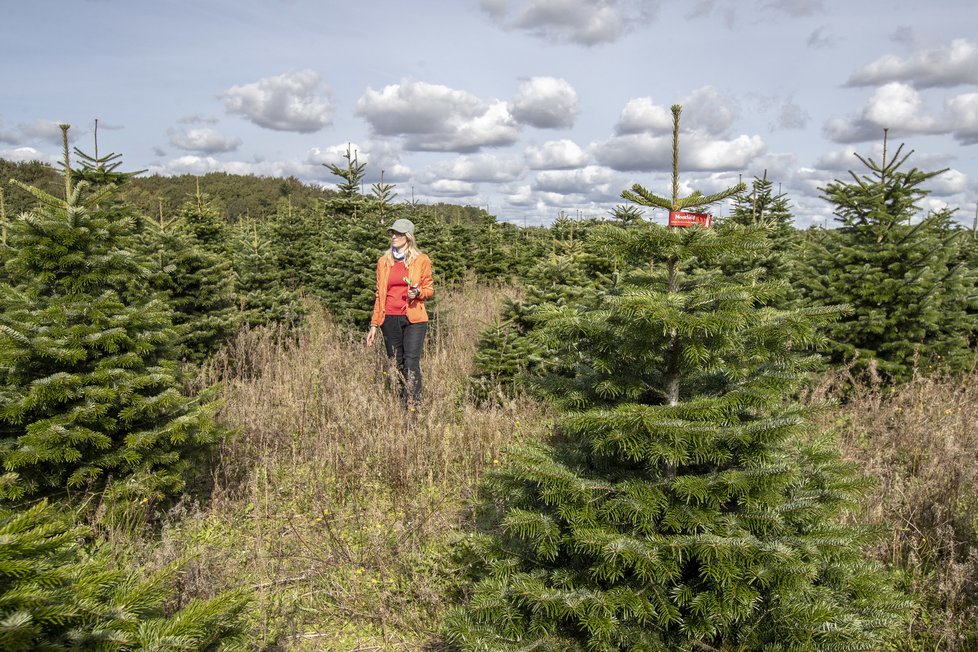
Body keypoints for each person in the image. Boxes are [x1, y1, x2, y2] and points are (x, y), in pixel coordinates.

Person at [366, 218, 435, 409]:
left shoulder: (421, 260)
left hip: (414, 319)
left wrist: (419, 292)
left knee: (411, 362)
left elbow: (429, 289)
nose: (394, 237)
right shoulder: (384, 262)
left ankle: (413, 406)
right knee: (396, 363)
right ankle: (401, 403)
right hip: (389, 319)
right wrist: (374, 324)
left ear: (408, 237)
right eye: (392, 233)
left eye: (398, 233)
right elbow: (380, 294)